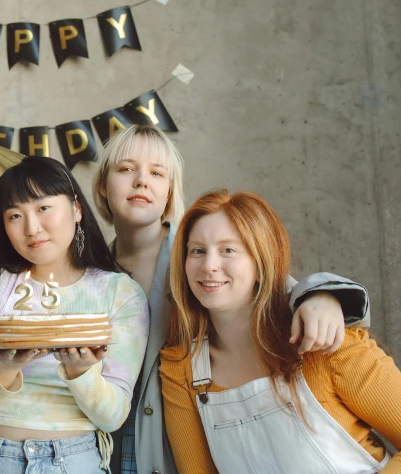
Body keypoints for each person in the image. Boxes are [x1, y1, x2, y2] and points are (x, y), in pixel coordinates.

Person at [91, 124, 370, 474]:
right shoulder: (89, 270)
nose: (141, 181)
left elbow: (272, 286)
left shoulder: (198, 256)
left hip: (179, 448)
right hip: (106, 445)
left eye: (157, 173)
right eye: (126, 168)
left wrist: (322, 296)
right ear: (103, 184)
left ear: (170, 191)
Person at [159, 190, 400, 473]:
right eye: (197, 251)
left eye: (228, 250)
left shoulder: (327, 345)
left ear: (261, 264)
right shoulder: (180, 369)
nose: (209, 265)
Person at [0, 156, 149, 474]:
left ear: (77, 209)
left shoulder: (120, 294)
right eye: (15, 215)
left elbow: (112, 417)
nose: (32, 228)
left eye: (43, 208)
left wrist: (81, 372)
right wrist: (1, 371)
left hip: (74, 462)